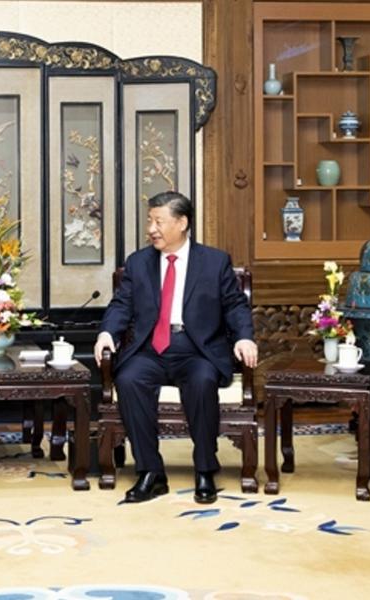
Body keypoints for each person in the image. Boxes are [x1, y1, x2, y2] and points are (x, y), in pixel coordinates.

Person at [94, 191, 258, 504]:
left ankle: (205, 469)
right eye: (149, 221)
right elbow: (121, 305)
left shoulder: (214, 261)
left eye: (158, 221)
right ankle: (151, 472)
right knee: (128, 380)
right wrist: (107, 333)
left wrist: (244, 336)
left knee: (202, 380)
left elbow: (236, 305)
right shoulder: (138, 262)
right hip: (149, 349)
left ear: (182, 223)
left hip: (197, 349)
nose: (151, 229)